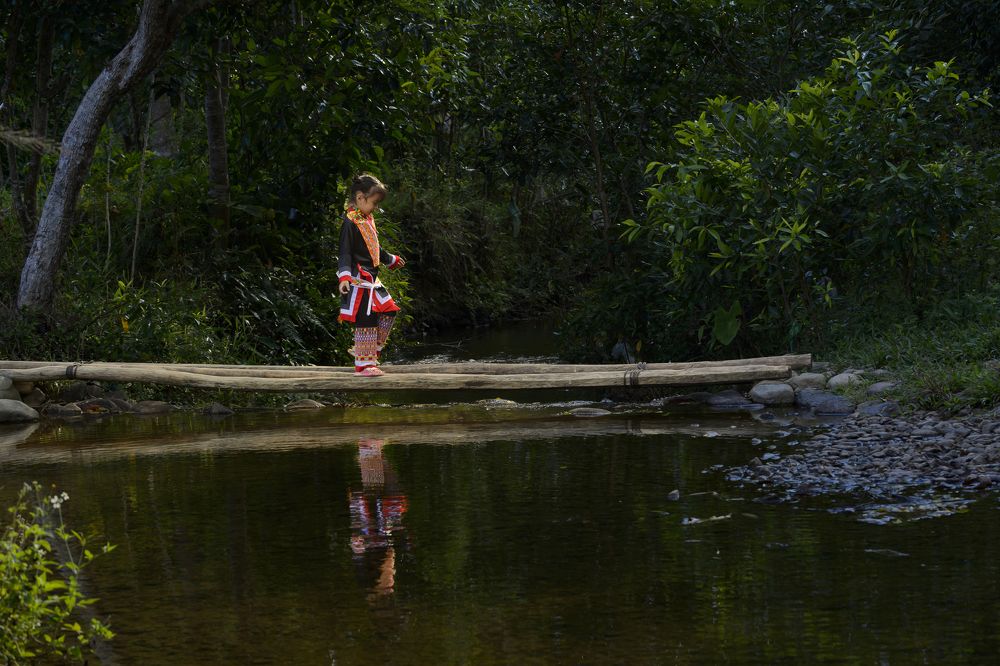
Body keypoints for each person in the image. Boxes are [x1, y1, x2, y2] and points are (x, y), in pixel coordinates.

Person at [337, 174, 405, 376]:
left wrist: (389, 259)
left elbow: (373, 247)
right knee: (365, 318)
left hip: (372, 279)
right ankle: (364, 365)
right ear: (360, 198)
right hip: (359, 279)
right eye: (374, 203)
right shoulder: (350, 222)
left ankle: (367, 349)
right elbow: (345, 252)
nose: (376, 207)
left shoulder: (366, 218)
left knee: (389, 310)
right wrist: (345, 277)